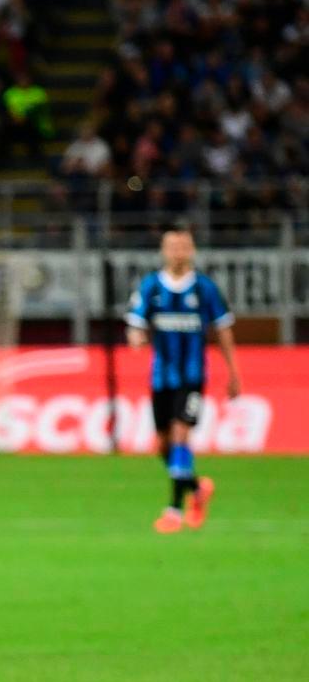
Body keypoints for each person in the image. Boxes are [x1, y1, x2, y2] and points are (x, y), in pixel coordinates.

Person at [126, 225, 242, 533]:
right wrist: (136, 336)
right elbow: (135, 322)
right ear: (164, 250)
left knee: (180, 435)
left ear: (191, 250)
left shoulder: (205, 288)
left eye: (183, 246)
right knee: (163, 446)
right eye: (172, 247)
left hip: (192, 377)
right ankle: (197, 488)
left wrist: (233, 373)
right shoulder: (151, 286)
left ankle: (174, 511)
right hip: (161, 378)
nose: (178, 252)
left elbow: (223, 331)